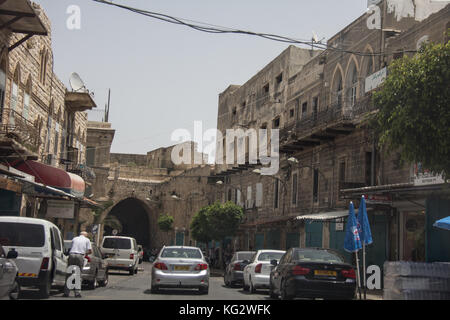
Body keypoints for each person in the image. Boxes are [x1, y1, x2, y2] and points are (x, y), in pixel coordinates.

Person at [63, 231, 92, 298]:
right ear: (86, 235)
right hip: (80, 256)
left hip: (72, 255)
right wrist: (85, 253)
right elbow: (90, 251)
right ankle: (77, 293)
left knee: (69, 274)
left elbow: (69, 248)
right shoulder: (87, 240)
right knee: (78, 274)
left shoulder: (74, 238)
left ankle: (66, 292)